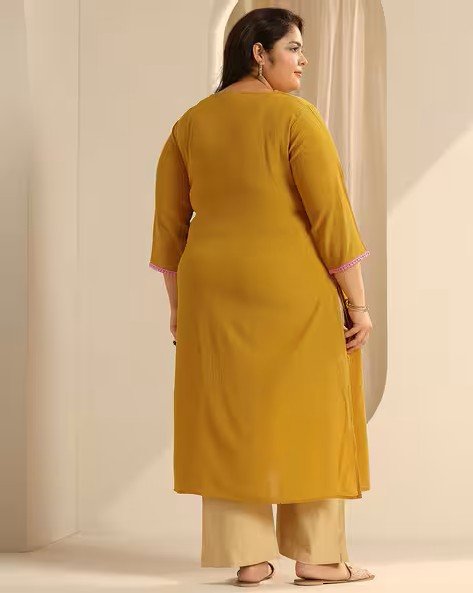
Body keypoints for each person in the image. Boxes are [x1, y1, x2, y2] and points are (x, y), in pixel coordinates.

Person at [149, 7, 375, 587]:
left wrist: (177, 306)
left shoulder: (190, 124)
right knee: (313, 415)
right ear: (259, 53)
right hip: (291, 289)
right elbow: (331, 217)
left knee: (229, 415)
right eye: (293, 48)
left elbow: (169, 230)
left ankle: (248, 557)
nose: (303, 60)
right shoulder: (295, 117)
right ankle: (317, 556)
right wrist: (357, 304)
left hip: (211, 292)